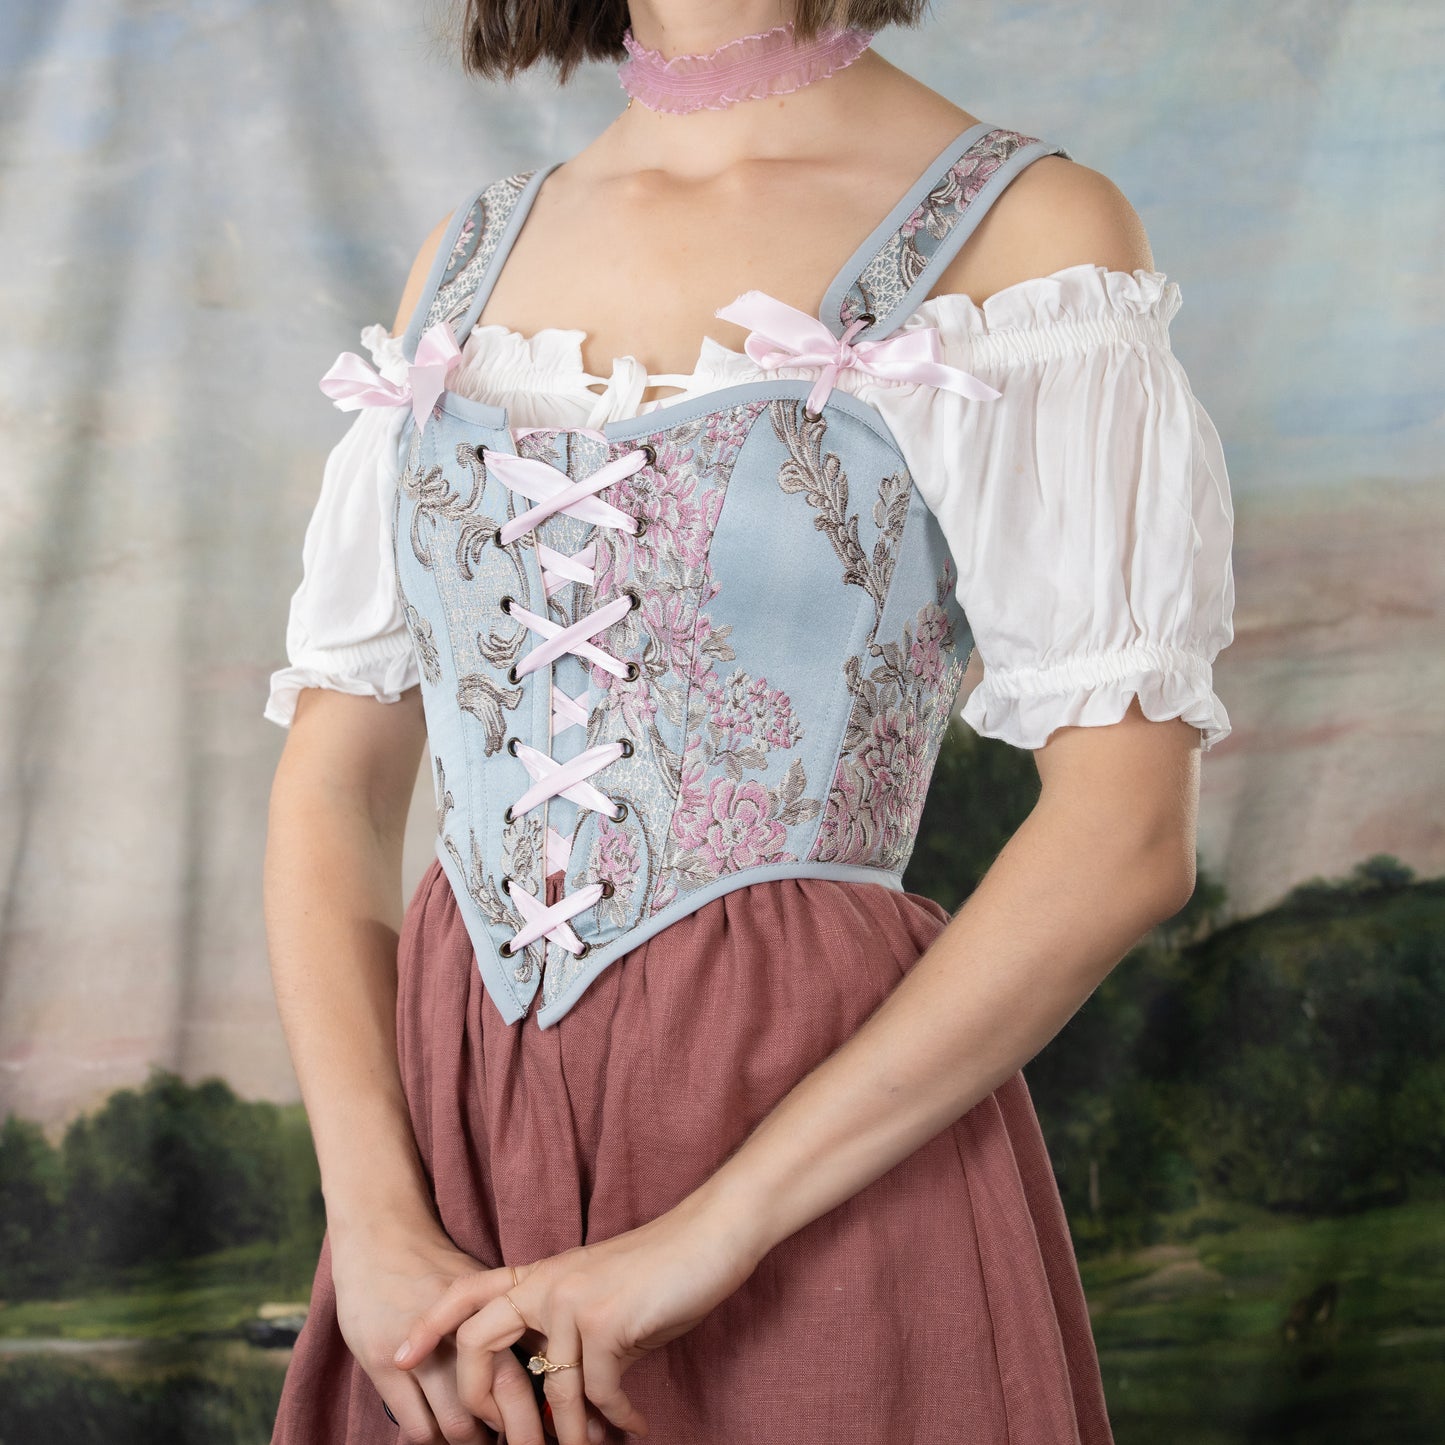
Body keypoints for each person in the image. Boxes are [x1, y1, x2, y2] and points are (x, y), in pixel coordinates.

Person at [262, 2, 1235, 1442]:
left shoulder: (1023, 233)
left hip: (815, 1140)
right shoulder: (462, 261)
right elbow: (332, 789)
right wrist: (378, 1218)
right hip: (457, 1141)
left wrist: (715, 1230)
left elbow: (1125, 834)